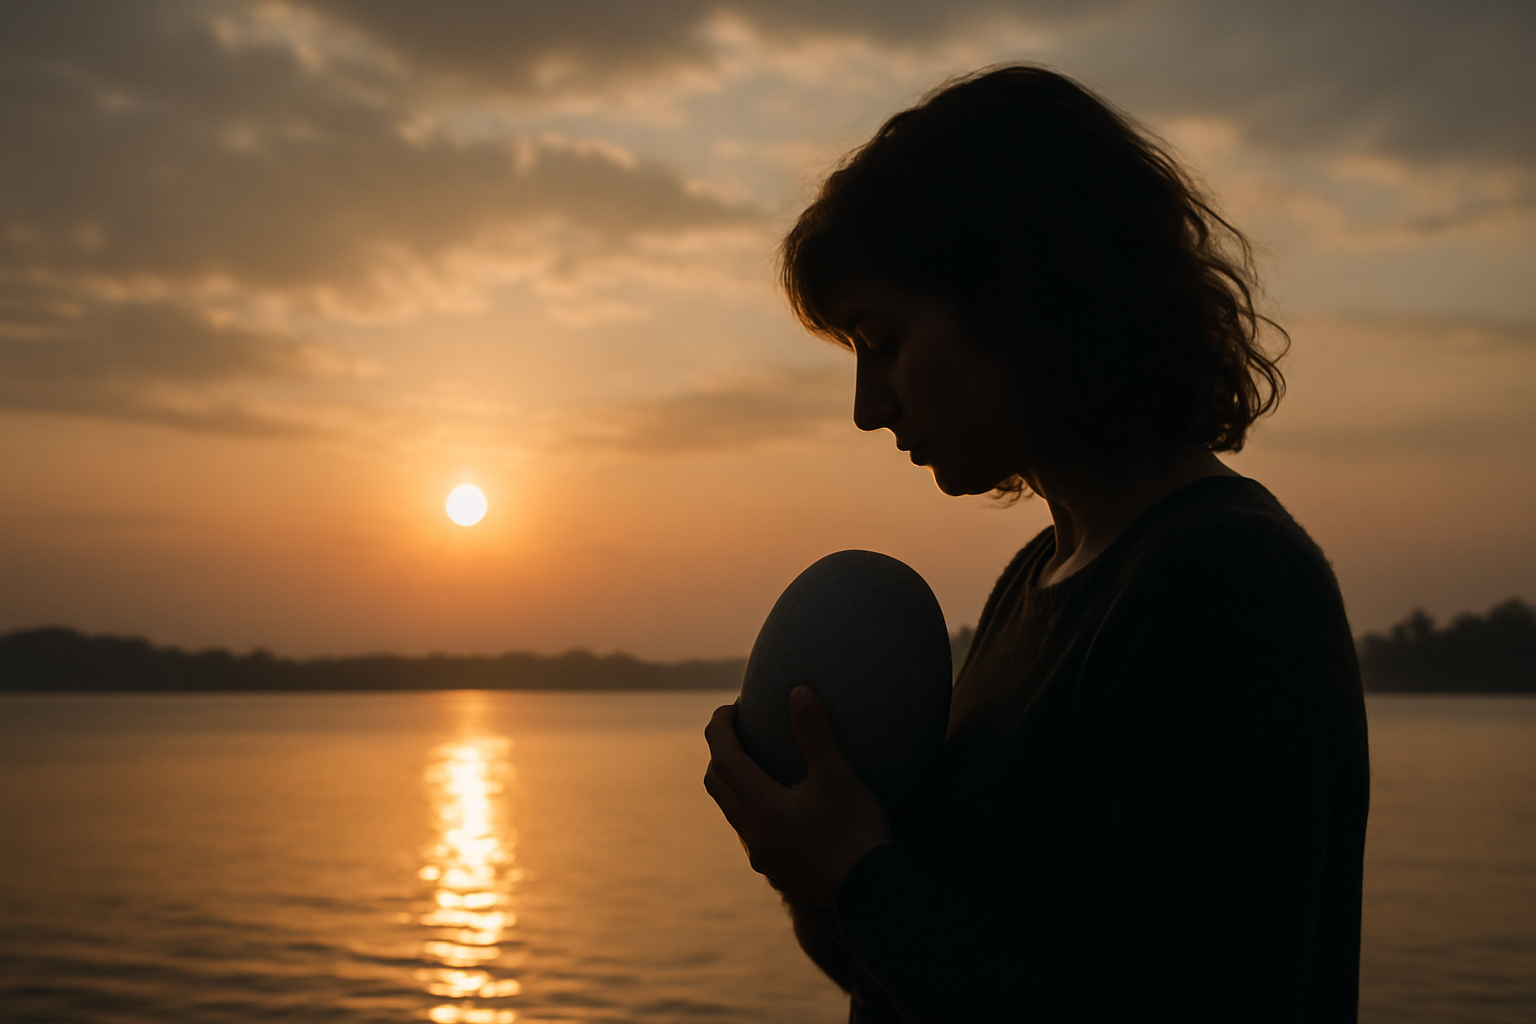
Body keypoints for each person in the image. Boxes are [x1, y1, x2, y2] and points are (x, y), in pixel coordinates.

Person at [702, 65, 1370, 1023]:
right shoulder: (1039, 583)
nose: (867, 407)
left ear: (1026, 294)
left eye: (884, 341)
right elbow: (924, 969)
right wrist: (811, 859)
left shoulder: (1224, 590)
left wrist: (860, 877)